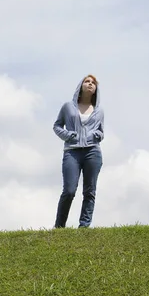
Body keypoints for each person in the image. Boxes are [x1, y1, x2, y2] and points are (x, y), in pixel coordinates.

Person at [53, 75, 104, 228]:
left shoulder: (99, 110)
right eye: (87, 82)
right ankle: (59, 226)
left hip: (92, 152)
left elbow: (101, 132)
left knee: (90, 192)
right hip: (72, 152)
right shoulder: (68, 107)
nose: (90, 84)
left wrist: (98, 135)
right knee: (69, 190)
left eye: (93, 83)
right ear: (80, 86)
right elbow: (57, 126)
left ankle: (84, 226)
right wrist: (68, 135)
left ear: (96, 89)